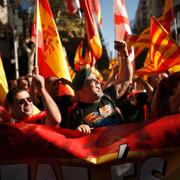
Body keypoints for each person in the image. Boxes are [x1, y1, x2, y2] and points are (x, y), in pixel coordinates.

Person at [68, 40, 133, 134]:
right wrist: (79, 131)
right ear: (82, 90)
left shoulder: (107, 95)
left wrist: (124, 53)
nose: (98, 82)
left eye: (96, 79)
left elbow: (126, 79)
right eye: (93, 81)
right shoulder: (76, 114)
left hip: (122, 146)